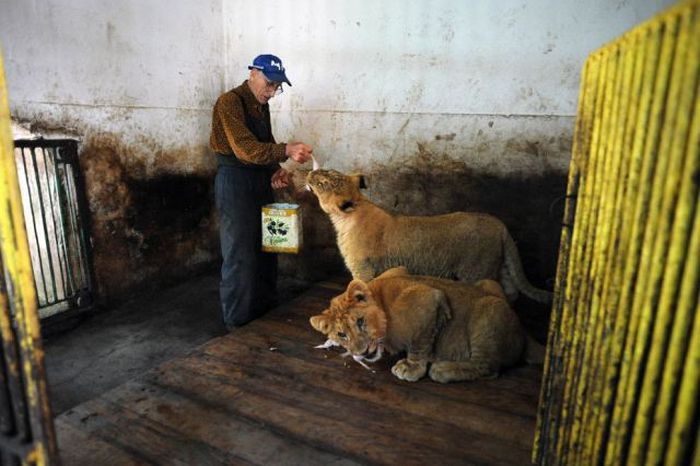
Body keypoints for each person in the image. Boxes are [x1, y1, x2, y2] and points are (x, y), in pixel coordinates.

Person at [210, 54, 312, 329]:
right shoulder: (229, 102)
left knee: (267, 248)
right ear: (253, 73)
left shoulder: (260, 105)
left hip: (258, 179)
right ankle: (238, 322)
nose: (271, 92)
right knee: (240, 253)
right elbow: (246, 149)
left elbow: (264, 144)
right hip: (235, 181)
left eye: (277, 87)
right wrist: (287, 149)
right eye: (269, 84)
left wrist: (275, 170)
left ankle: (266, 310)